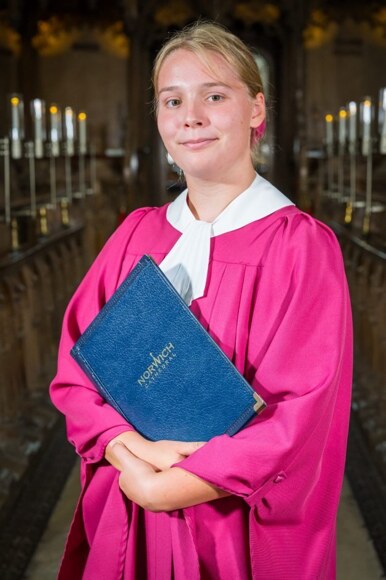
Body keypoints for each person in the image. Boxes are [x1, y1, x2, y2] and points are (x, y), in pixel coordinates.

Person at [50, 20, 352, 580]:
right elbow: (78, 365)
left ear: (256, 110)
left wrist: (167, 489)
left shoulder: (301, 247)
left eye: (214, 96)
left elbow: (299, 417)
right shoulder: (136, 234)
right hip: (130, 505)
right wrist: (125, 453)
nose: (190, 116)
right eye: (173, 99)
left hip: (230, 523)